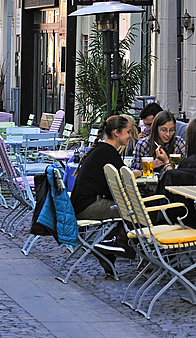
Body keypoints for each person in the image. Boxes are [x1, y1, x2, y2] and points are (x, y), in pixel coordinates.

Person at [69, 115, 139, 275]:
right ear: (116, 133)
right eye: (128, 132)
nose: (130, 135)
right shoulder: (108, 152)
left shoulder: (103, 150)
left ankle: (110, 246)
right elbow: (125, 178)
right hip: (88, 206)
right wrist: (140, 173)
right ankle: (114, 246)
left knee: (131, 208)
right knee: (136, 210)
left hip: (83, 203)